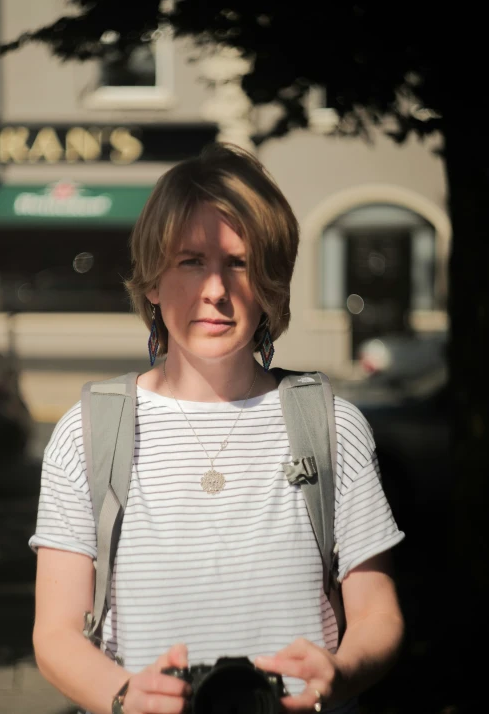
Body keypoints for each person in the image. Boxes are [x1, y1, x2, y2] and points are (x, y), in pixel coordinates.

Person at [30, 143, 405, 714]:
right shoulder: (87, 431)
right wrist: (127, 696)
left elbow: (378, 614)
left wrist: (342, 672)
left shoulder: (331, 425)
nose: (215, 290)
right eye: (190, 261)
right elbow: (55, 634)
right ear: (152, 282)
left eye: (239, 262)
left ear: (270, 285)